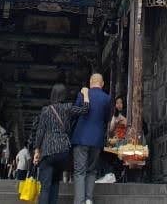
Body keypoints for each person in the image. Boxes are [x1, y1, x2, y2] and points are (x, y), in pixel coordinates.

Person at [32, 83, 88, 204]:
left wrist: (37, 150)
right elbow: (85, 110)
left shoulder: (46, 110)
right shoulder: (68, 107)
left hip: (48, 151)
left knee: (45, 186)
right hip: (63, 151)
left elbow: (40, 131)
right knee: (55, 182)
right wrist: (86, 95)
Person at [71, 73, 112, 204]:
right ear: (102, 84)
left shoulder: (82, 95)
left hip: (81, 138)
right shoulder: (107, 98)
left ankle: (79, 201)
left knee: (79, 171)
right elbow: (107, 118)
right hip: (97, 140)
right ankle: (89, 199)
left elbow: (75, 114)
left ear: (90, 82)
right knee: (92, 170)